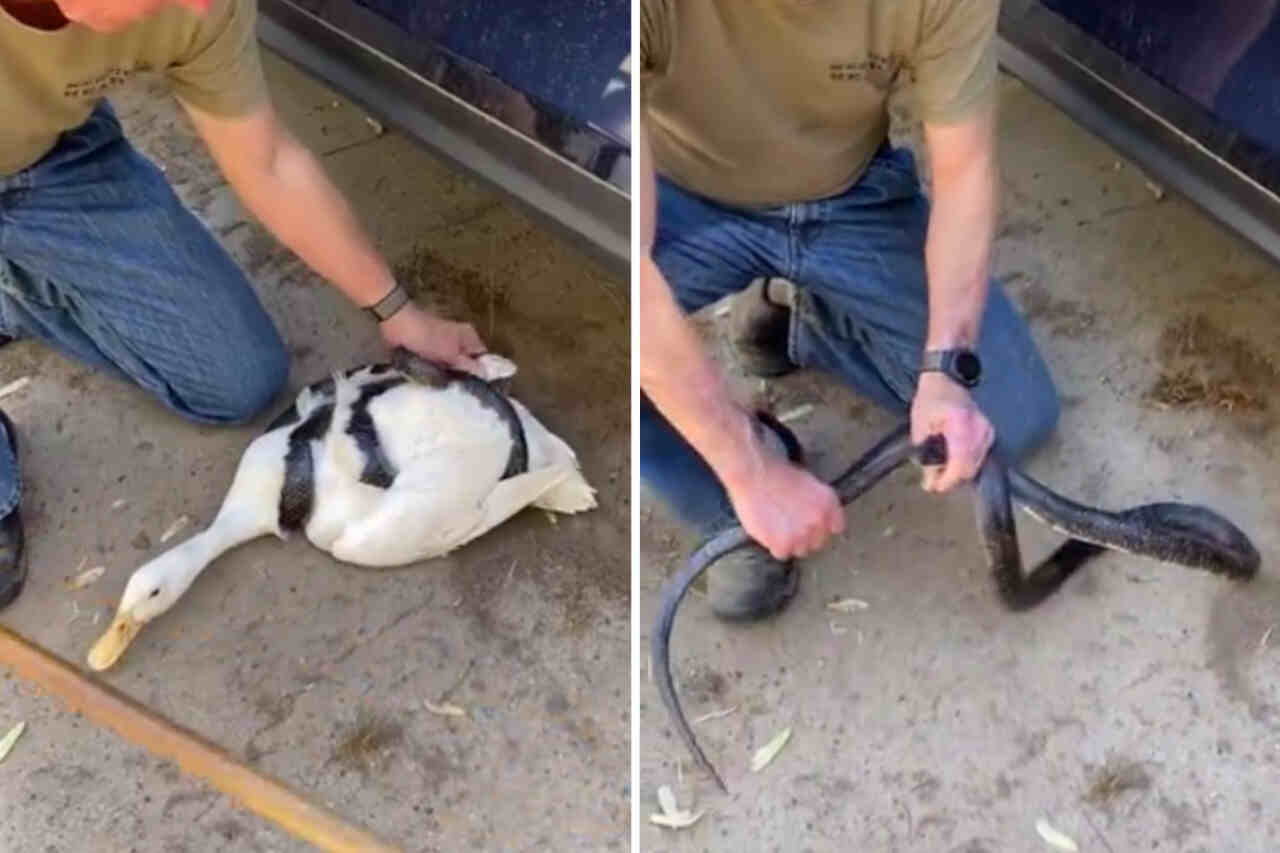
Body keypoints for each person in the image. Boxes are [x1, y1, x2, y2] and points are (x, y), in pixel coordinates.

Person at [0, 0, 488, 608]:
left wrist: (400, 314)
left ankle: (15, 287)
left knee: (236, 381)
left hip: (51, 162)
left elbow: (271, 164)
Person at [639, 0, 1061, 621]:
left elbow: (965, 173)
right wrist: (748, 468)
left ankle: (802, 320)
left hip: (851, 195)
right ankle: (725, 513)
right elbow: (630, 272)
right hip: (683, 199)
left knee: (1015, 420)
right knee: (627, 331)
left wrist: (945, 372)